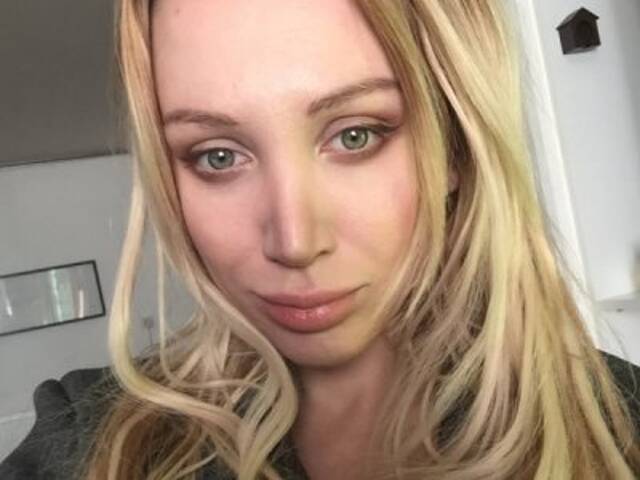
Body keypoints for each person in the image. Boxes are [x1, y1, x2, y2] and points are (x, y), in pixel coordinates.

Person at [1, 1, 639, 479]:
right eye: (217, 156)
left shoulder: (620, 430)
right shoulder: (96, 440)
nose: (295, 241)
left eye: (355, 135)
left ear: (453, 147)